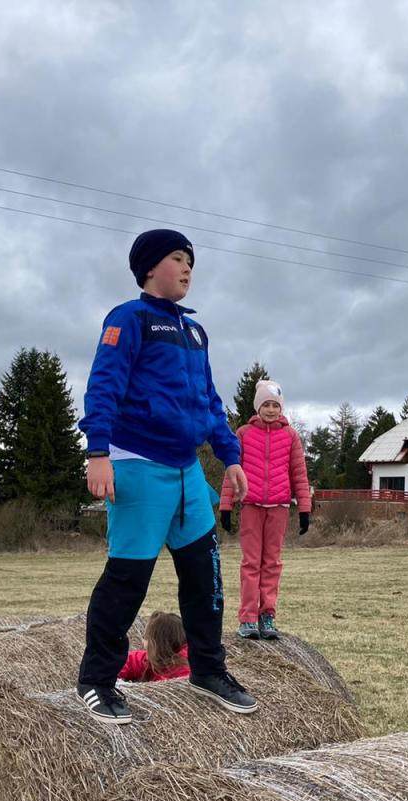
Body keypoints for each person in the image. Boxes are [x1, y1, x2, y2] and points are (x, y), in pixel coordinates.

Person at [76, 227, 256, 725]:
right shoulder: (128, 319)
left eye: (191, 261)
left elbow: (210, 402)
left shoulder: (196, 333)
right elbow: (103, 385)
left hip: (187, 472)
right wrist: (97, 452)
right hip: (137, 464)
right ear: (150, 267)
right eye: (178, 258)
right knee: (127, 581)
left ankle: (208, 669)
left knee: (205, 578)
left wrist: (231, 455)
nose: (188, 268)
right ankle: (96, 680)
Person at [220, 379, 310, 640]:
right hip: (251, 505)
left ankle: (267, 615)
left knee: (272, 563)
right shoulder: (243, 434)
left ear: (281, 408)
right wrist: (226, 505)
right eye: (266, 404)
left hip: (279, 507)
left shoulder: (291, 436)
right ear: (257, 407)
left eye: (275, 405)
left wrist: (304, 508)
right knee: (251, 563)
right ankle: (248, 617)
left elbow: (299, 473)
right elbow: (232, 471)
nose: (271, 410)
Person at [118, 612, 190, 683]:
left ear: (157, 643)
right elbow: (126, 662)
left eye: (146, 637)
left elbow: (167, 686)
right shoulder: (151, 658)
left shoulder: (186, 669)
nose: (143, 641)